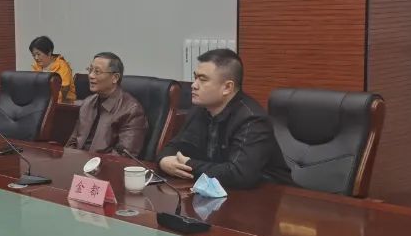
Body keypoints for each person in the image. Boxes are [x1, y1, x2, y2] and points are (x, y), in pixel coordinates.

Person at [158, 49, 291, 189]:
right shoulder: (200, 110)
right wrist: (164, 161)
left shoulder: (252, 120)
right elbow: (174, 146)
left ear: (227, 87)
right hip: (217, 190)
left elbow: (239, 174)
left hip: (268, 195)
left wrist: (189, 164)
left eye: (202, 79)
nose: (194, 85)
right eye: (195, 77)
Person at [65, 52, 147, 155]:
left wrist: (89, 163)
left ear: (115, 78)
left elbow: (124, 155)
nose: (91, 75)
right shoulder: (87, 103)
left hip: (104, 164)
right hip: (78, 161)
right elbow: (73, 142)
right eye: (90, 70)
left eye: (97, 71)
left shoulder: (131, 110)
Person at [30, 36, 75, 102]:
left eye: (38, 54)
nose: (36, 58)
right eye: (33, 55)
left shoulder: (62, 65)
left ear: (49, 53)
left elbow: (64, 90)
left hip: (63, 104)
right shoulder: (36, 67)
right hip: (41, 102)